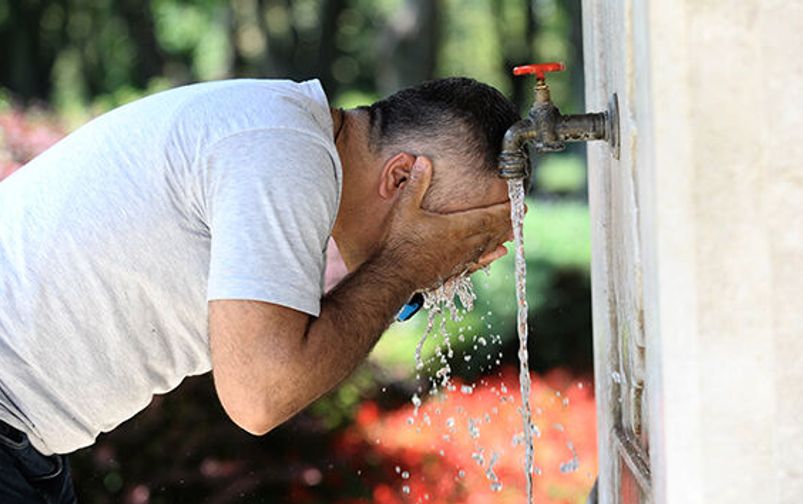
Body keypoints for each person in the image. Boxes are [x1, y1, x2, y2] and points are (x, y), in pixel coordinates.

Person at [0, 76, 520, 502]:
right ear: (402, 177)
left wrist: (409, 264)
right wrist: (408, 261)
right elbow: (260, 396)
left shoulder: (282, 131)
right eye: (460, 235)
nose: (457, 262)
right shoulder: (286, 154)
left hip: (26, 447)